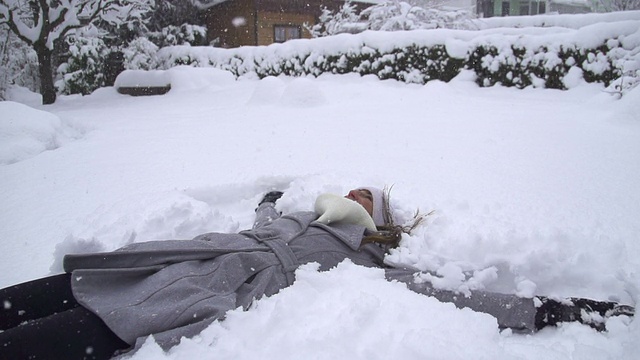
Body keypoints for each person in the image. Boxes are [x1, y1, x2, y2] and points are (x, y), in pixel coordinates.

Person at [0, 187, 634, 359]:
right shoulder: (301, 215)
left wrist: (555, 308)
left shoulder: (362, 264)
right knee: (35, 295)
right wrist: (272, 202)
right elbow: (262, 218)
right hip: (182, 255)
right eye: (356, 184)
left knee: (46, 338)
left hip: (204, 289)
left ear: (378, 223)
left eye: (371, 197)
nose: (358, 190)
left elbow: (460, 298)